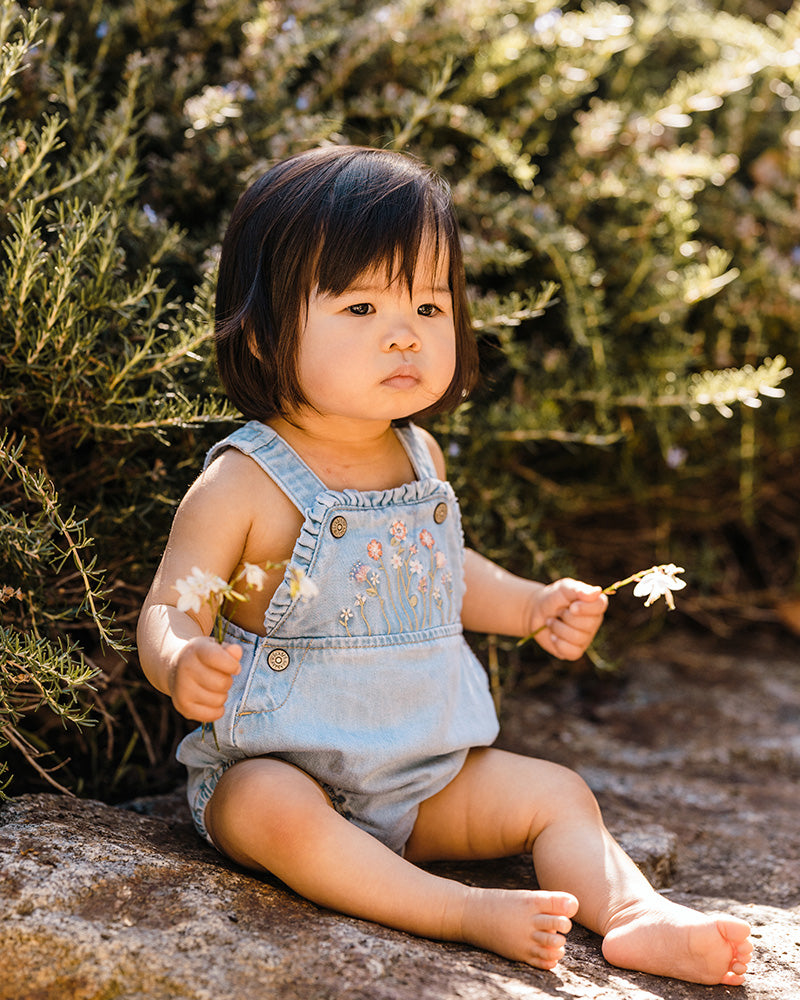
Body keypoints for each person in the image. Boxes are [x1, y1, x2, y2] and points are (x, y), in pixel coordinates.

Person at [137, 145, 752, 985]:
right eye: (359, 307)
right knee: (264, 809)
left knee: (555, 792)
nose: (405, 332)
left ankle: (638, 913)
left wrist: (533, 606)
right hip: (285, 769)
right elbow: (169, 606)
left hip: (427, 779)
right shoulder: (245, 481)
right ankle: (459, 911)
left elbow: (445, 572)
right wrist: (180, 660)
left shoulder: (418, 453)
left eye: (429, 303)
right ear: (269, 326)